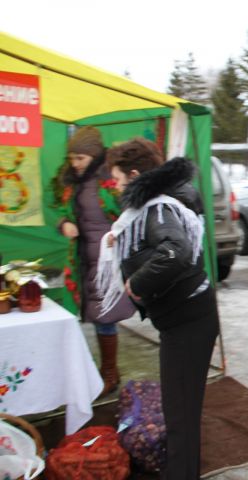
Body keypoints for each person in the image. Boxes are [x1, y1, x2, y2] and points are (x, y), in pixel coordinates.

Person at [98, 138, 220, 480]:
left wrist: (137, 284)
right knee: (182, 411)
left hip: (188, 323)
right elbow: (156, 242)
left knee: (180, 415)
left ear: (135, 174)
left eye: (119, 178)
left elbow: (175, 251)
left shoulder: (159, 207)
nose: (117, 184)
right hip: (185, 319)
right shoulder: (159, 204)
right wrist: (119, 241)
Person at [53, 126, 135, 396]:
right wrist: (64, 223)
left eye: (80, 158)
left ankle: (109, 374)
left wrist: (117, 238)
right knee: (88, 314)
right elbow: (64, 212)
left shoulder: (108, 182)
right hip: (81, 260)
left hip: (107, 263)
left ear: (94, 155)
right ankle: (98, 372)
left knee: (105, 316)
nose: (75, 164)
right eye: (72, 158)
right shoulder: (74, 182)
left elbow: (130, 215)